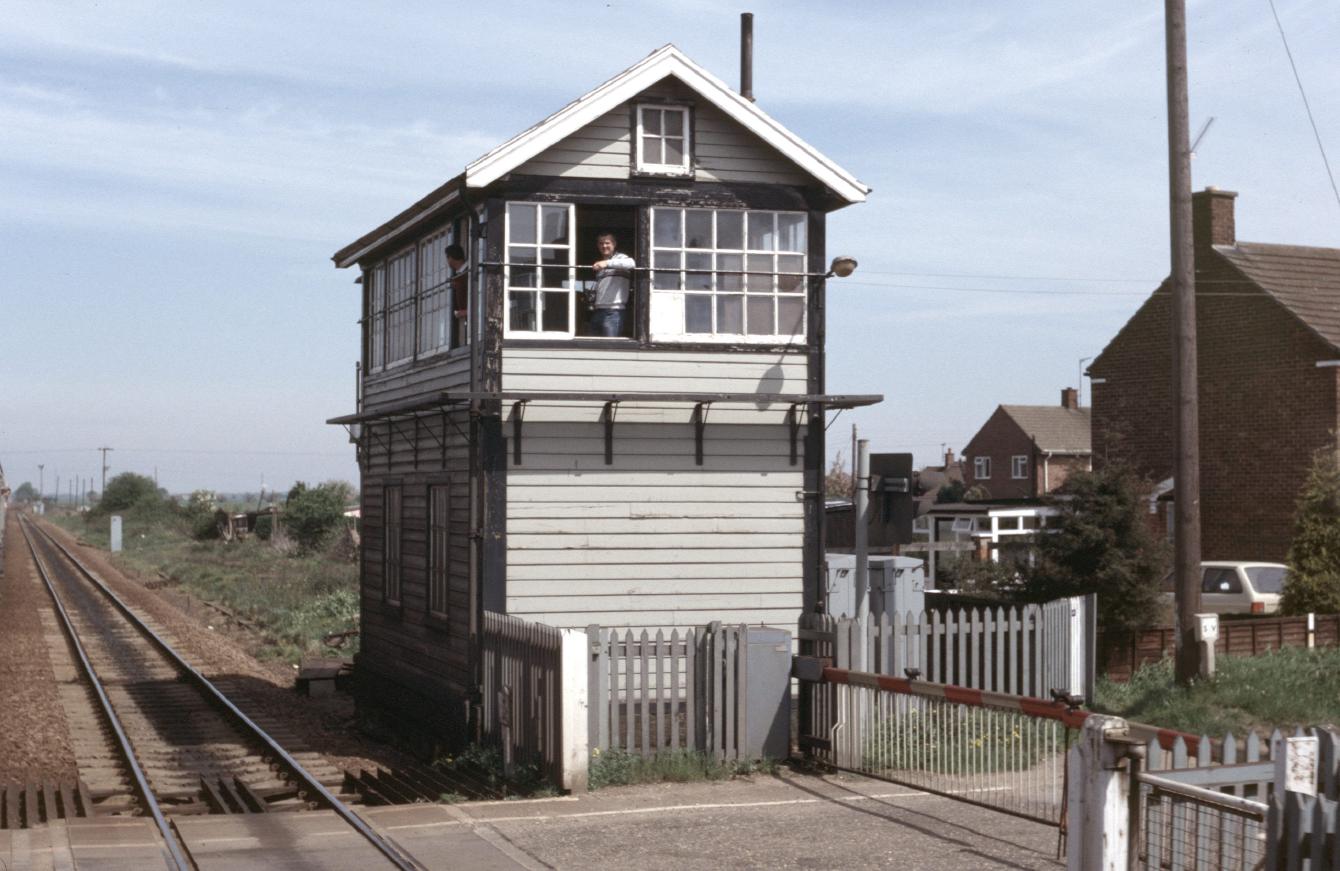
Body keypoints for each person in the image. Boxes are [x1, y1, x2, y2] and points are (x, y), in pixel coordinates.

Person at [587, 233, 634, 337]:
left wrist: (607, 263)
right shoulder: (600, 265)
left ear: (614, 244)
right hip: (598, 310)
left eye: (607, 243)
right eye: (601, 243)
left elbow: (631, 263)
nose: (604, 246)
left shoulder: (620, 257)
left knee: (610, 346)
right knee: (591, 344)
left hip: (614, 312)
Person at [447, 244, 468, 346]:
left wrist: (467, 311)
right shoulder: (459, 276)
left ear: (451, 258)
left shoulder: (468, 272)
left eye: (447, 257)